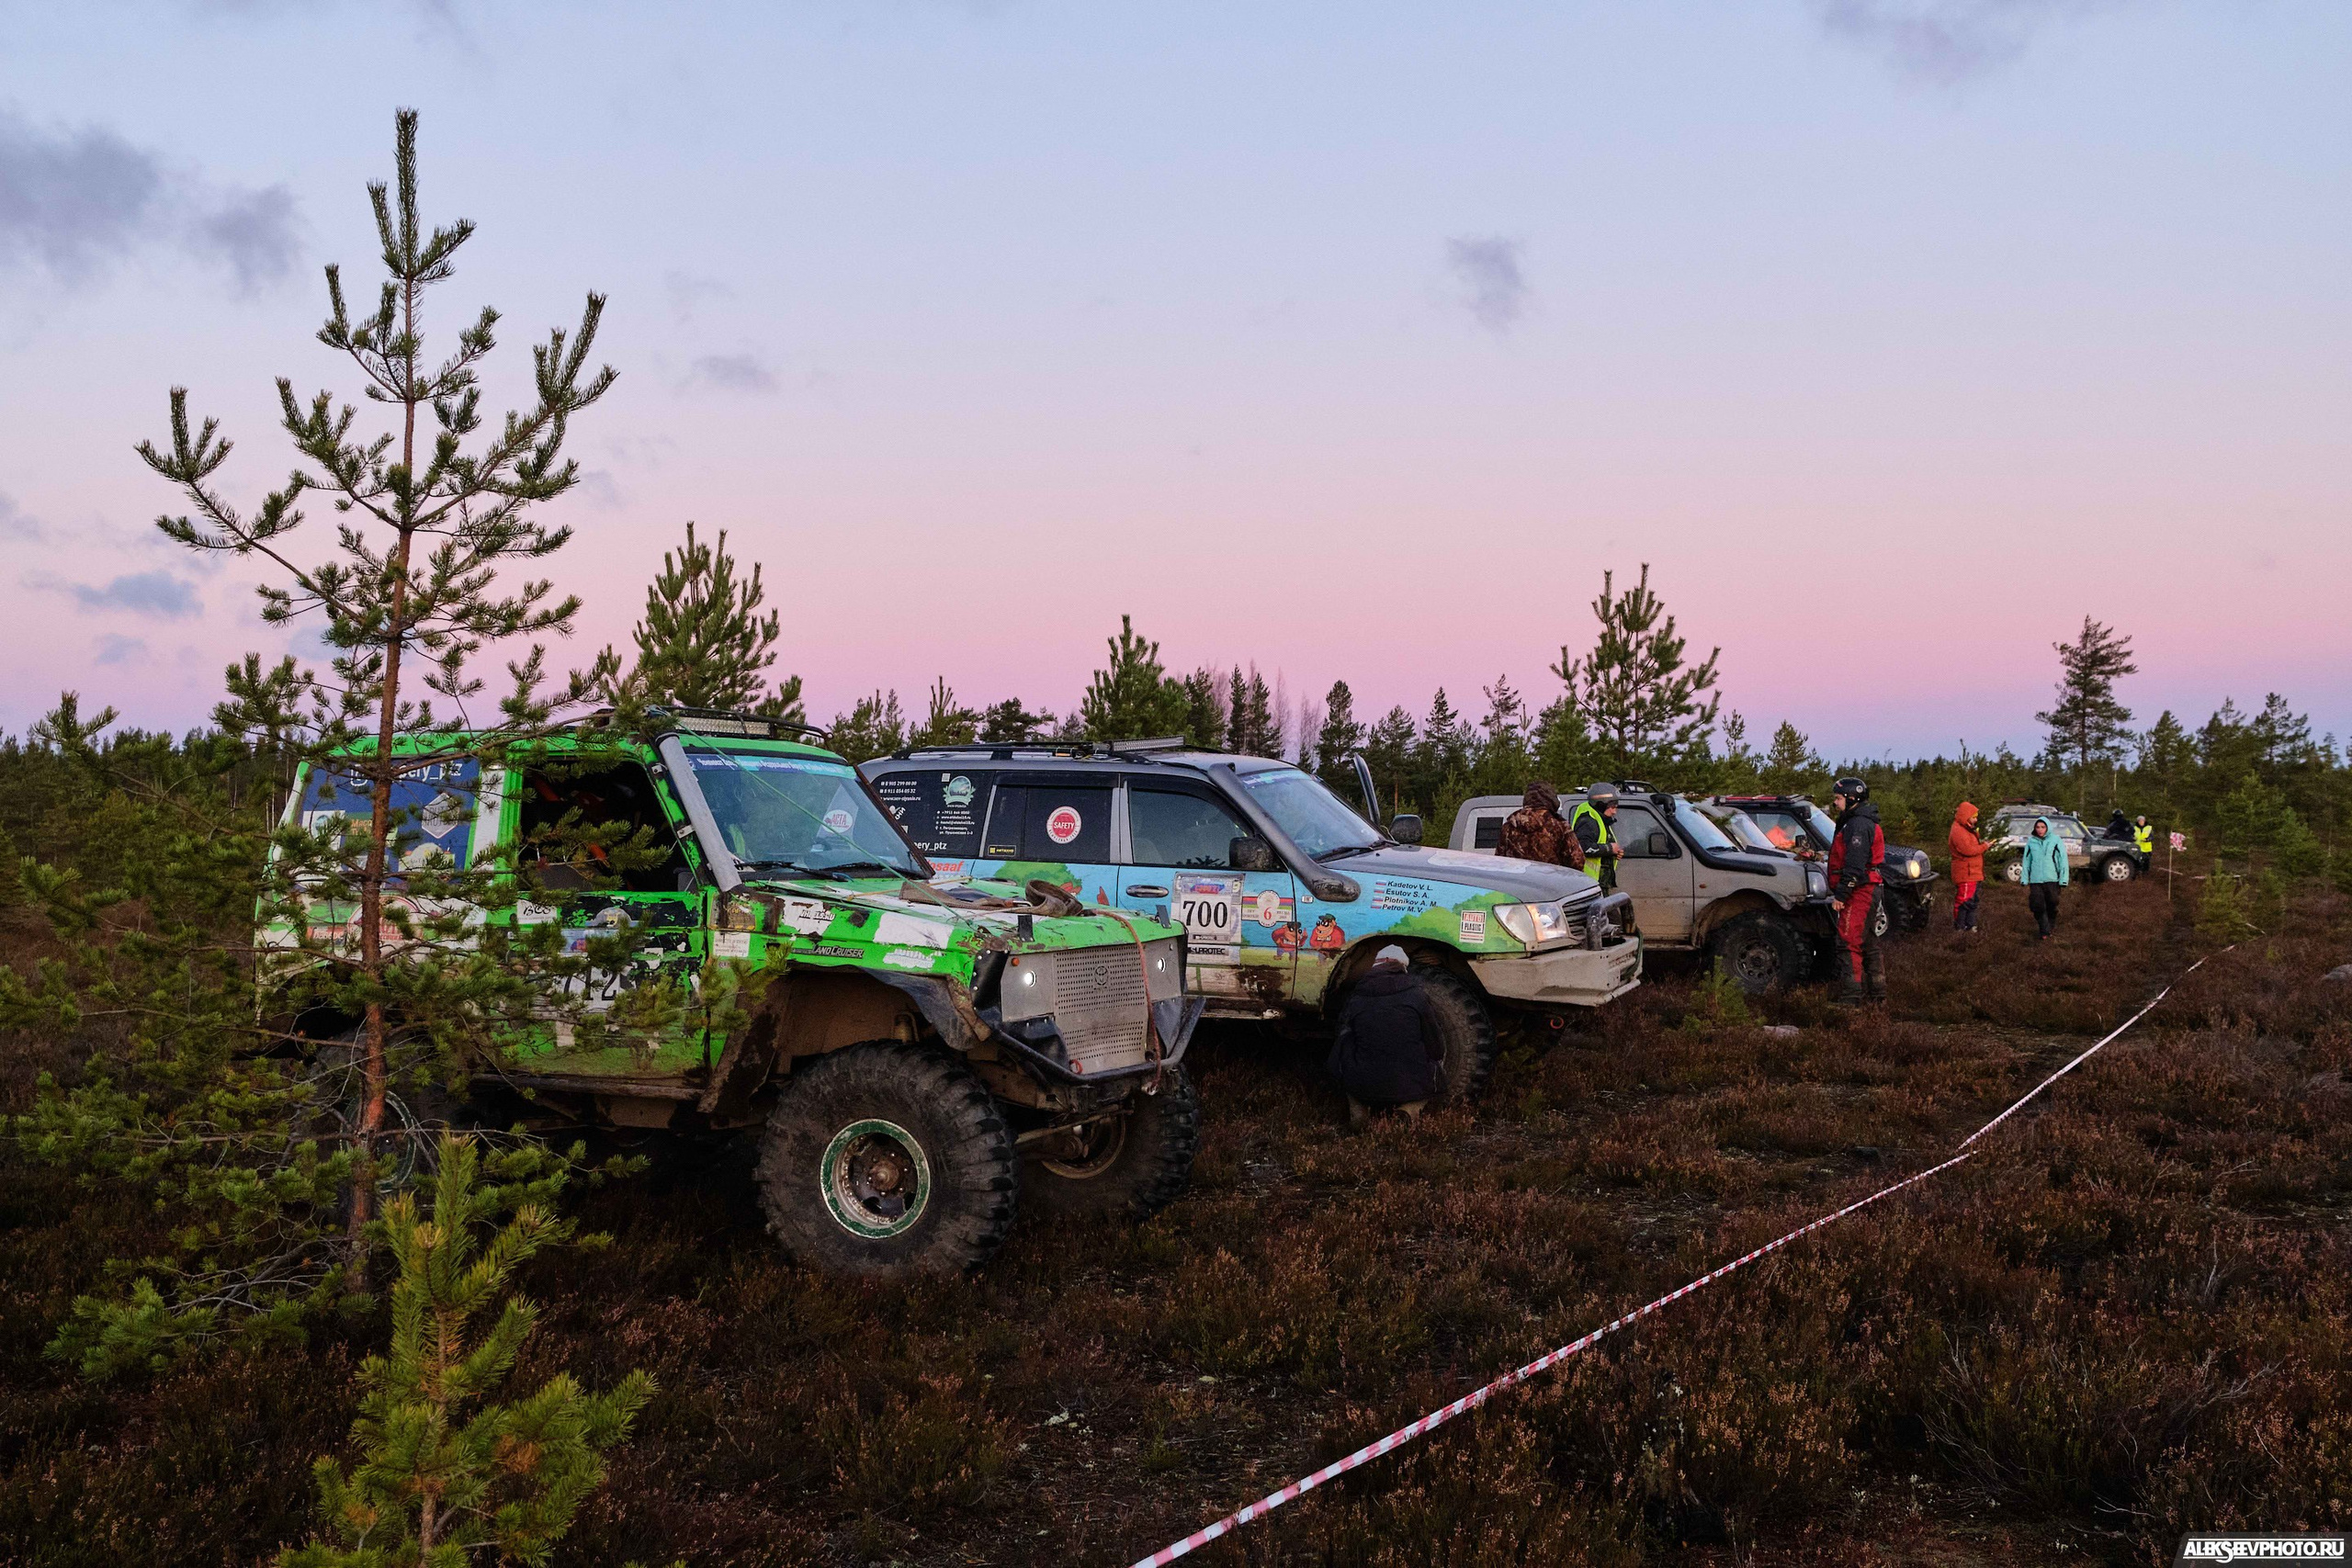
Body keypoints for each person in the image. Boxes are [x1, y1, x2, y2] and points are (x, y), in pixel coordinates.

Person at [1328, 945, 1445, 1127]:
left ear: (1375, 966)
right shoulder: (1418, 995)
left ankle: (1359, 1111)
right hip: (1409, 1084)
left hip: (1363, 1083)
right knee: (1437, 1068)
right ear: (1403, 967)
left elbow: (1342, 1039)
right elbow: (1437, 1048)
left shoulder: (1355, 997)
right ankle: (1409, 1110)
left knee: (1345, 1047)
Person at [1826, 774, 1885, 1002]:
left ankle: (1851, 998)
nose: (1835, 803)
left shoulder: (1858, 825)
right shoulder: (1854, 821)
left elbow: (1855, 864)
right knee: (1867, 941)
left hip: (1861, 889)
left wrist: (1841, 895)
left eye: (1838, 798)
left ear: (1852, 798)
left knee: (1848, 941)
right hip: (1865, 886)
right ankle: (1878, 995)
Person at [1496, 781, 1583, 869]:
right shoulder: (1558, 825)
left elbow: (1499, 862)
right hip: (1549, 877)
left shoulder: (1509, 826)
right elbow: (1577, 862)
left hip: (1517, 877)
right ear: (1551, 799)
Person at [2018, 815, 2067, 939]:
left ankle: (2050, 924)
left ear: (2048, 828)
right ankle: (2044, 930)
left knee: (2052, 903)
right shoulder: (2031, 842)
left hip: (2052, 879)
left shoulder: (2056, 840)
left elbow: (2062, 860)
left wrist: (2063, 879)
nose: (2040, 829)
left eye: (2043, 827)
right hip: (2035, 880)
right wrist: (2024, 878)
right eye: (2038, 827)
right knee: (2037, 905)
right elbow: (2027, 861)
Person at [1948, 800, 1990, 933]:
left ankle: (1970, 926)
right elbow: (1967, 850)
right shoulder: (1958, 831)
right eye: (1974, 817)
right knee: (1964, 901)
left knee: (1972, 901)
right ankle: (1960, 927)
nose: (1976, 820)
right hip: (1966, 873)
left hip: (1973, 872)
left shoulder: (1966, 828)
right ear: (1966, 816)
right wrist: (1984, 846)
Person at [1571, 784, 1621, 891]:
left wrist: (1615, 852)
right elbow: (1583, 847)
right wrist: (1609, 848)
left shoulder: (1601, 820)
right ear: (1601, 805)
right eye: (1612, 807)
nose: (1614, 812)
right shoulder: (1588, 821)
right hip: (1588, 884)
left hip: (1598, 883)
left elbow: (1602, 843)